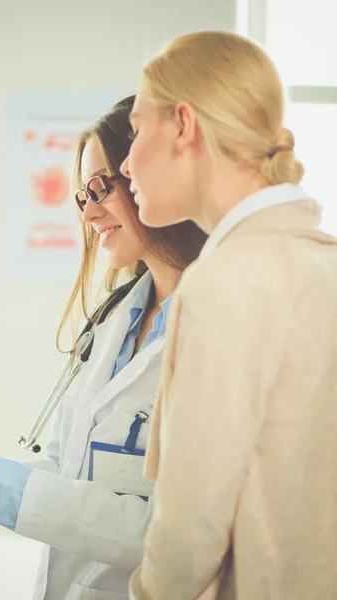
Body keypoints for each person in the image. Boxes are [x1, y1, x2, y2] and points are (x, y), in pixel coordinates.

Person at [0, 96, 207, 600]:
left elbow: (167, 533)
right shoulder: (116, 319)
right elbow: (73, 473)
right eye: (81, 195)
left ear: (151, 174)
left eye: (101, 187)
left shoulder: (215, 329)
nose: (88, 210)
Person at [120, 31, 337, 600]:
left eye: (138, 127)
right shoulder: (322, 264)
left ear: (184, 126)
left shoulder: (224, 284)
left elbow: (189, 535)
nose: (124, 160)